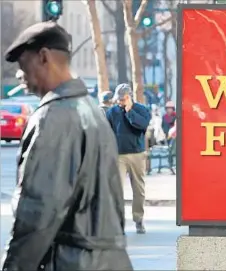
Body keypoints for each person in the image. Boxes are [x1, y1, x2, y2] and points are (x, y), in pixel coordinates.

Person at [1, 21, 132, 270]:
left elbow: (37, 214)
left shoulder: (52, 117)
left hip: (71, 262)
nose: (20, 74)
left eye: (22, 64)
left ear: (43, 57)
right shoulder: (92, 111)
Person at [106, 83, 151, 234]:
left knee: (139, 189)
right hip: (118, 155)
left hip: (137, 154)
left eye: (122, 99)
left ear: (128, 97)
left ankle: (138, 219)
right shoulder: (112, 112)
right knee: (116, 189)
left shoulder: (141, 110)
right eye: (118, 99)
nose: (119, 102)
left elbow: (142, 125)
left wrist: (129, 110)